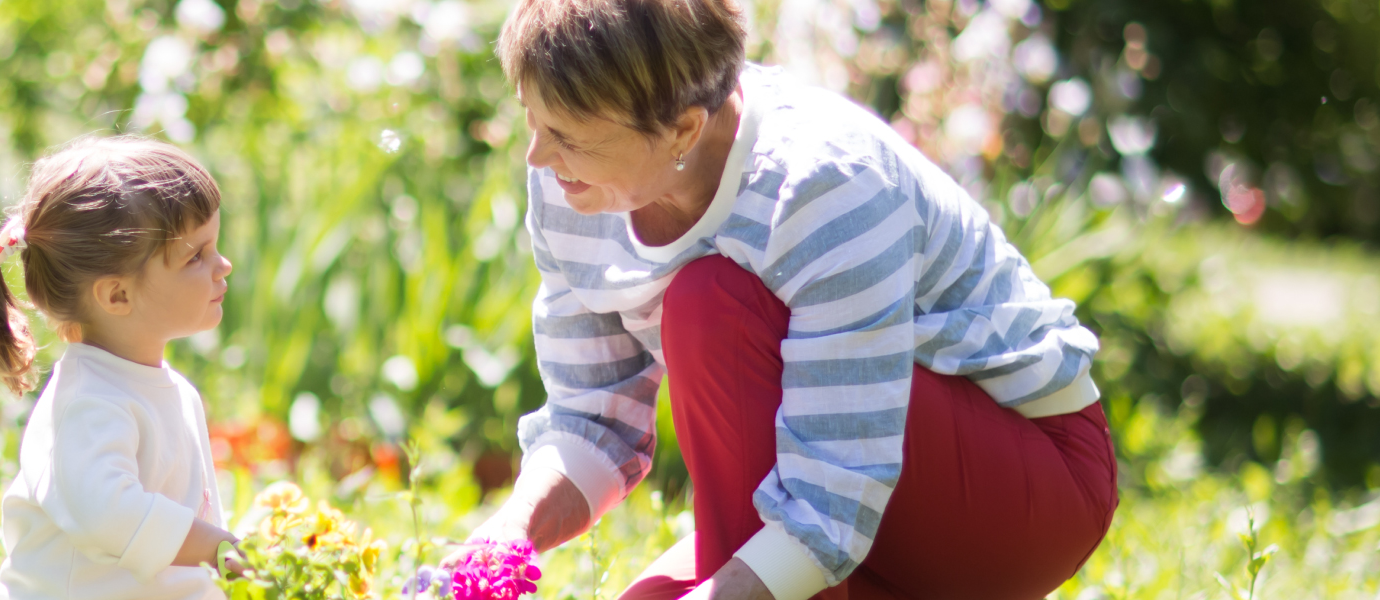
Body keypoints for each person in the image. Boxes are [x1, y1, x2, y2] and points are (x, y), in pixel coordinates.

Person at [460, 0, 1119, 598]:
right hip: (842, 489)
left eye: (570, 135)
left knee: (712, 302)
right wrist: (501, 544)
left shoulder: (826, 186)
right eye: (534, 119)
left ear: (685, 130)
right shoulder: (572, 185)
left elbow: (834, 490)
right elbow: (592, 421)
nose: (539, 156)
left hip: (1021, 484)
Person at [0, 136, 238, 600]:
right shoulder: (88, 403)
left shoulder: (167, 388)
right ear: (117, 296)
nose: (223, 265)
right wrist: (224, 551)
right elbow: (111, 512)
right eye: (196, 256)